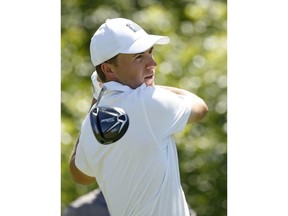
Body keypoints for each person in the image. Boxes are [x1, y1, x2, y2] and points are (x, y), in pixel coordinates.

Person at [69, 17, 208, 216]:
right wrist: (148, 91)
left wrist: (98, 95)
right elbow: (201, 107)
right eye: (138, 57)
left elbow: (80, 174)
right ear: (109, 69)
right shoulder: (150, 102)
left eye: (150, 52)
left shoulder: (93, 120)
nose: (153, 63)